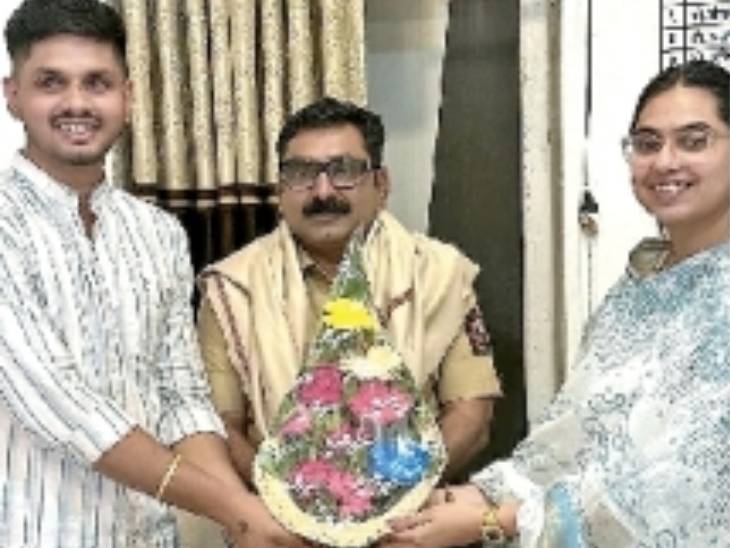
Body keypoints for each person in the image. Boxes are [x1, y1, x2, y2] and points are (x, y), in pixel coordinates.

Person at [383, 59, 730, 547]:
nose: (665, 162)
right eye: (648, 144)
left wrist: (495, 521)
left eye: (694, 141)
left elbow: (683, 489)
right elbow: (575, 435)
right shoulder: (640, 283)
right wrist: (478, 496)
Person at [0, 1, 308, 547]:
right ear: (13, 95)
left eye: (97, 83)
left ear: (128, 96)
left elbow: (180, 392)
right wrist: (237, 509)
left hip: (150, 536)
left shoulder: (157, 233)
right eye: (51, 82)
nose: (77, 103)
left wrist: (239, 518)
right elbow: (64, 407)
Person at [198, 97, 501, 483]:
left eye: (344, 171)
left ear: (381, 185)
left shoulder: (438, 274)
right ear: (281, 191)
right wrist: (287, 499)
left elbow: (471, 413)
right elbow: (219, 426)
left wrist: (396, 493)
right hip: (270, 511)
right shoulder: (233, 288)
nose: (323, 191)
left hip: (416, 507)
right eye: (301, 173)